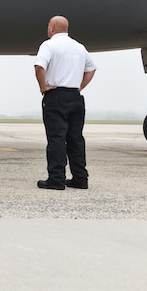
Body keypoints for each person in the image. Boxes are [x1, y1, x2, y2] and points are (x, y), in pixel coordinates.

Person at [34, 15, 96, 190]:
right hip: (75, 97)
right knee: (76, 139)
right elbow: (91, 68)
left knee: (56, 139)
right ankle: (80, 178)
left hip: (56, 96)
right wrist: (79, 87)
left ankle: (56, 179)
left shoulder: (49, 45)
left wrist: (43, 87)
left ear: (52, 28)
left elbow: (39, 66)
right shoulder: (79, 47)